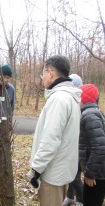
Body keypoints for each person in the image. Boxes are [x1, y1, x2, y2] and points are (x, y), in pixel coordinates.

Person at [28, 55, 82, 206]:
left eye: (43, 74)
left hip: (52, 174)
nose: (42, 77)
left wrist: (36, 170)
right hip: (62, 169)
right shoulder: (71, 97)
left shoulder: (58, 99)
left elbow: (50, 140)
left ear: (50, 73)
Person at [79, 84, 105, 206]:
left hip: (96, 175)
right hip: (97, 171)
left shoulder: (89, 115)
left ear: (83, 98)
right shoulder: (92, 112)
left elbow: (99, 147)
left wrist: (90, 173)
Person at [63, 73, 84, 206]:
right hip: (70, 146)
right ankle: (70, 196)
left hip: (79, 148)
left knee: (75, 177)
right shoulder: (69, 101)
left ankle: (81, 200)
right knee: (69, 174)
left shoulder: (81, 104)